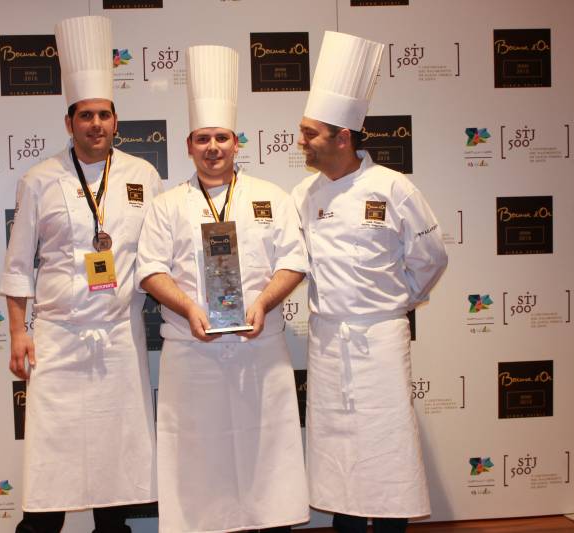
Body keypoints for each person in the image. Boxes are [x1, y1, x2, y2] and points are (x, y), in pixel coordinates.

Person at [135, 44, 309, 533]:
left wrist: (263, 302)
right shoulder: (167, 206)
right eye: (203, 138)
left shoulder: (270, 197)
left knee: (266, 450)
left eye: (222, 137)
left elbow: (294, 261)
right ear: (188, 145)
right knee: (198, 453)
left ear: (238, 143)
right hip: (193, 352)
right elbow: (149, 270)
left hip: (261, 348)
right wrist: (190, 306)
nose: (213, 147)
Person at [0, 15, 161, 533]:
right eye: (85, 115)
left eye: (105, 115)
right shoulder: (40, 180)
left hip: (117, 340)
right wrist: (18, 332)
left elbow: (162, 255)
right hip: (58, 340)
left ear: (117, 121)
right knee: (52, 467)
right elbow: (18, 265)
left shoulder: (143, 176)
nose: (96, 124)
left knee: (116, 466)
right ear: (69, 122)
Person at [291, 31, 448, 533]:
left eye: (311, 133)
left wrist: (401, 300)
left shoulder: (394, 188)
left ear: (342, 137)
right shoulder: (303, 195)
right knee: (337, 448)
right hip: (328, 338)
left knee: (387, 445)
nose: (302, 141)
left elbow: (430, 256)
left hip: (380, 338)